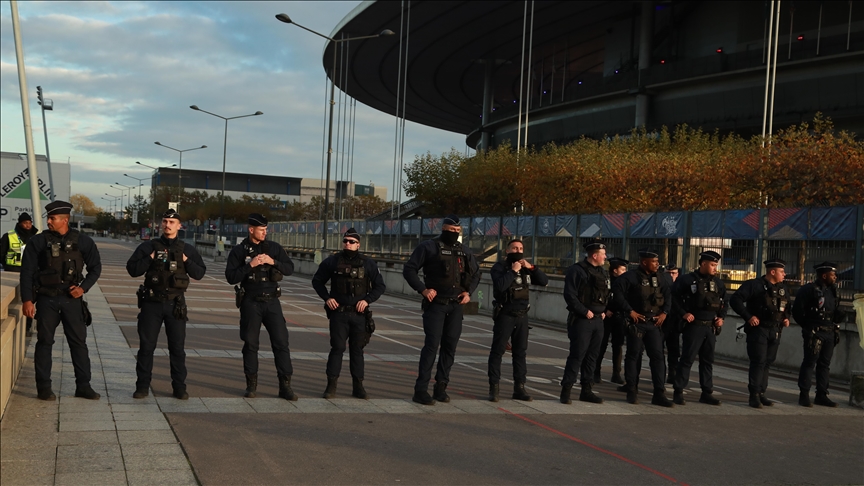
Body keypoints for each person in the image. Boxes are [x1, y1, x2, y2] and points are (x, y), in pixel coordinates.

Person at [20, 201, 102, 400]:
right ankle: (44, 388)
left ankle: (83, 386)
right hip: (47, 298)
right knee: (44, 342)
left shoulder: (83, 242)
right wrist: (27, 300)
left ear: (65, 220)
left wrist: (83, 288)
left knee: (78, 343)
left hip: (71, 299)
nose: (48, 221)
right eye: (48, 218)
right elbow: (27, 272)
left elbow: (95, 268)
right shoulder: (38, 242)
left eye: (52, 218)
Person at [127, 209, 206, 400]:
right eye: (165, 221)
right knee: (146, 347)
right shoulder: (149, 247)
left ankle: (179, 387)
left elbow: (200, 273)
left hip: (175, 305)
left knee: (177, 349)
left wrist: (186, 261)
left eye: (172, 222)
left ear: (179, 226)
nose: (167, 225)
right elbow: (132, 269)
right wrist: (151, 258)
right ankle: (142, 386)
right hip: (151, 304)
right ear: (161, 224)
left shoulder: (186, 249)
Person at [403, 215, 480, 405]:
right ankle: (421, 390)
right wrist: (423, 289)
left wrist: (468, 293)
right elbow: (409, 269)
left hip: (456, 306)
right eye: (450, 230)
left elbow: (477, 273)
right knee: (431, 346)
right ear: (443, 228)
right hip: (436, 304)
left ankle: (441, 387)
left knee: (450, 347)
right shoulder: (428, 247)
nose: (453, 233)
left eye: (457, 231)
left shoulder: (464, 251)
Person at [225, 213, 298, 401]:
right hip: (250, 302)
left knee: (281, 343)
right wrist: (251, 265)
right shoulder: (239, 251)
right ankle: (251, 385)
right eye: (261, 229)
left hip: (272, 302)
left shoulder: (273, 248)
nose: (265, 232)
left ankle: (285, 386)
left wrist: (273, 261)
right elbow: (231, 277)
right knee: (250, 344)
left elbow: (289, 268)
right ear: (251, 230)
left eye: (266, 229)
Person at [312, 228, 386, 399]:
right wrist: (327, 298)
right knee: (337, 348)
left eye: (352, 241)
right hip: (339, 314)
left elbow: (380, 286)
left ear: (358, 244)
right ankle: (331, 386)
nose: (348, 244)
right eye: (345, 241)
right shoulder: (332, 261)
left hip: (359, 315)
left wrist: (367, 300)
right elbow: (317, 281)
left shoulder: (368, 263)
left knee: (357, 350)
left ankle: (358, 386)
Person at [487, 239, 548, 402]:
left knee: (520, 353)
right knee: (497, 351)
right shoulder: (499, 267)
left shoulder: (526, 269)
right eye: (514, 248)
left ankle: (519, 387)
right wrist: (513, 271)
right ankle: (494, 387)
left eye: (521, 248)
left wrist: (532, 268)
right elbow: (500, 286)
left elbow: (543, 281)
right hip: (505, 314)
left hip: (522, 315)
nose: (518, 250)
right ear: (507, 251)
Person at [612, 248, 674, 407]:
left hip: (654, 324)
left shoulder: (661, 278)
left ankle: (659, 393)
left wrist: (665, 313)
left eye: (657, 261)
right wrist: (629, 311)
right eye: (654, 262)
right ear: (644, 262)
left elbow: (668, 296)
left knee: (658, 357)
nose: (657, 264)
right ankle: (632, 389)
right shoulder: (630, 277)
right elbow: (617, 293)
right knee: (633, 356)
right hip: (637, 323)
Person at [729, 258, 791, 408]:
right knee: (758, 361)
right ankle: (754, 395)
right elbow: (735, 300)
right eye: (782, 271)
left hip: (775, 329)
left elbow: (787, 304)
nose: (785, 274)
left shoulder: (782, 288)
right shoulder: (754, 285)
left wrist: (786, 318)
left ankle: (762, 392)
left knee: (768, 362)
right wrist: (748, 316)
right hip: (759, 329)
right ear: (772, 272)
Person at [671, 251, 727, 406]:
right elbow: (673, 297)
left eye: (716, 265)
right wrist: (683, 313)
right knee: (687, 359)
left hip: (710, 328)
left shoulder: (718, 283)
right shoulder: (687, 280)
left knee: (707, 361)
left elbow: (724, 302)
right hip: (694, 326)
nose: (715, 268)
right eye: (713, 265)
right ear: (703, 264)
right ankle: (679, 391)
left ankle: (706, 392)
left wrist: (721, 317)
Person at [560, 239, 610, 404]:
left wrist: (603, 311)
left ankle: (586, 390)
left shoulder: (602, 272)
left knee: (592, 357)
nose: (605, 257)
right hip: (582, 320)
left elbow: (606, 294)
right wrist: (584, 311)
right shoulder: (577, 270)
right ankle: (566, 390)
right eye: (603, 254)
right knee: (577, 355)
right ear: (594, 255)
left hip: (598, 321)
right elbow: (570, 295)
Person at [792, 262, 846, 407]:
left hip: (829, 331)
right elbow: (797, 311)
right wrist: (808, 326)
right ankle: (804, 395)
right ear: (824, 275)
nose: (835, 277)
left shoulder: (834, 291)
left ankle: (821, 394)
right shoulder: (809, 290)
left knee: (825, 364)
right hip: (814, 331)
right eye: (832, 274)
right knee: (810, 362)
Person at [594, 257, 629, 385]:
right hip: (606, 317)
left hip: (619, 317)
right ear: (615, 270)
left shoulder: (625, 283)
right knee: (601, 345)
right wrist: (605, 309)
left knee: (618, 346)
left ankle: (616, 373)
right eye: (623, 269)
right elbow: (601, 296)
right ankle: (596, 372)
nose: (625, 271)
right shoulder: (605, 280)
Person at [662, 265, 683, 384]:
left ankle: (672, 373)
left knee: (674, 350)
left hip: (674, 321)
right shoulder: (661, 284)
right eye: (668, 273)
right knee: (658, 350)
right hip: (661, 322)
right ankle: (660, 373)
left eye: (673, 273)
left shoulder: (680, 286)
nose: (671, 276)